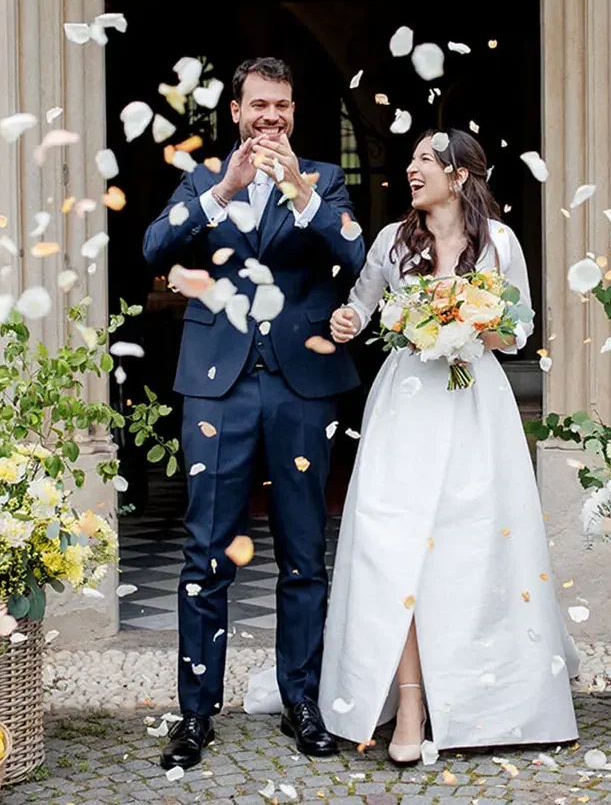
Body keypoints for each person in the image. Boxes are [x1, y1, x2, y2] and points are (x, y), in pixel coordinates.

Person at [320, 128, 579, 763]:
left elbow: (518, 331)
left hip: (473, 407)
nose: (411, 169)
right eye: (410, 160)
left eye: (424, 161)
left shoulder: (500, 243)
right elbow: (359, 308)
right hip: (406, 404)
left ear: (459, 176)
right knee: (393, 546)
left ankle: (476, 698)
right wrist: (347, 320)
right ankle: (409, 700)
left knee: (469, 549)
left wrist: (468, 322)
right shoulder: (391, 241)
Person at [143, 57, 365, 768]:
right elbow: (154, 245)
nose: (272, 117)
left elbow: (356, 252)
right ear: (237, 112)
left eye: (284, 106)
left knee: (305, 555)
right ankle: (194, 714)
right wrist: (224, 192)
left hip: (302, 388)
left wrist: (300, 192)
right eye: (260, 105)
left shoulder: (324, 180)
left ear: (294, 113)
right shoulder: (204, 179)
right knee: (206, 554)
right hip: (218, 386)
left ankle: (301, 700)